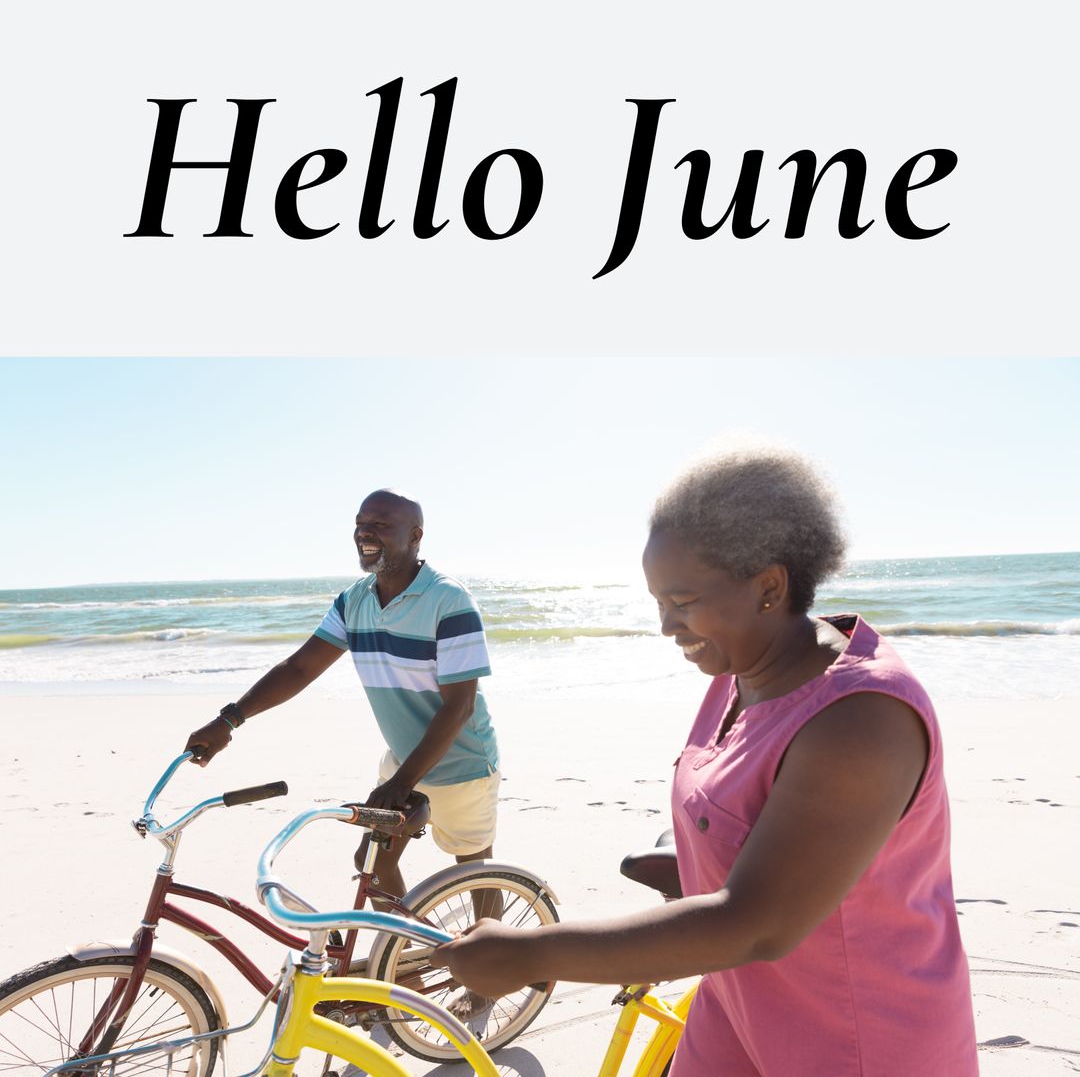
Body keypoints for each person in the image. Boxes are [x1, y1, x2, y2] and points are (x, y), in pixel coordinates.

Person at [432, 444, 978, 1076]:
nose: (666, 625)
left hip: (854, 1039)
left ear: (769, 587)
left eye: (682, 601)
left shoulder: (861, 720)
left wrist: (531, 956)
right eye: (658, 601)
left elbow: (757, 924)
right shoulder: (741, 665)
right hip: (734, 1005)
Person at [185, 489, 501, 898]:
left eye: (381, 525)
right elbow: (299, 668)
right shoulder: (354, 601)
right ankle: (396, 955)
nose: (365, 533)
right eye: (360, 524)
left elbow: (458, 708)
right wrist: (229, 719)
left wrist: (401, 784)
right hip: (403, 761)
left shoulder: (450, 601)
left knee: (474, 876)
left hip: (462, 765)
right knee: (372, 863)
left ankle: (495, 958)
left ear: (415, 535)